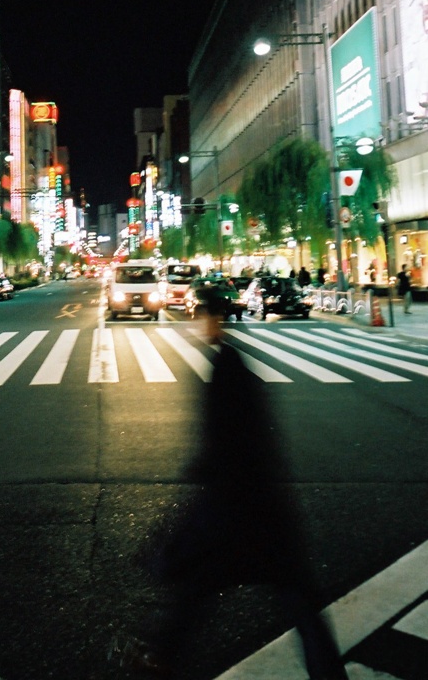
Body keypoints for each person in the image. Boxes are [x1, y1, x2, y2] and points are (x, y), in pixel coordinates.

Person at [116, 286, 348, 680]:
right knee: (293, 598)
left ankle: (161, 657)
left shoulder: (227, 367)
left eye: (200, 315)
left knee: (203, 585)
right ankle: (164, 655)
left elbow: (230, 439)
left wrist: (206, 472)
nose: (196, 323)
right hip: (259, 505)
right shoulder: (231, 362)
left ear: (215, 318)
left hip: (241, 506)